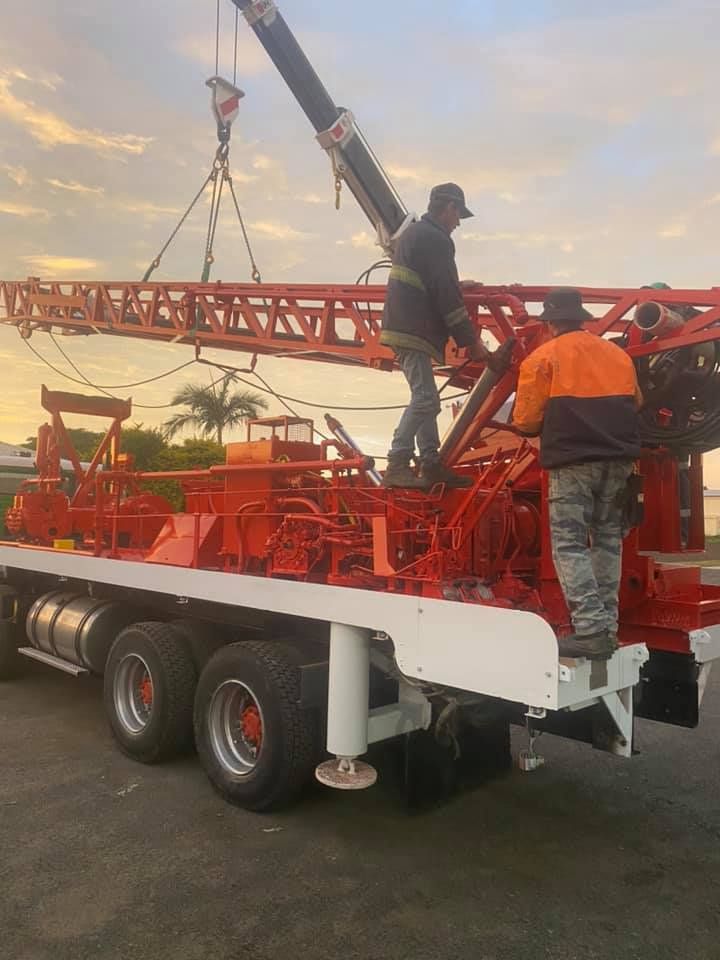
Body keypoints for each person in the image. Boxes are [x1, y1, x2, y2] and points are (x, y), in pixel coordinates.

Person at [512, 288, 642, 660]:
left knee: (569, 544)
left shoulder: (542, 358)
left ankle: (590, 630)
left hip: (572, 465)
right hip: (619, 463)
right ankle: (608, 630)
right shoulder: (618, 356)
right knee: (607, 541)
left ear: (550, 324)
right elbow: (637, 403)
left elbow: (526, 421)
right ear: (582, 319)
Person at [380, 183, 496, 489]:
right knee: (426, 399)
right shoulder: (436, 239)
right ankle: (397, 463)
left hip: (408, 326)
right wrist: (471, 342)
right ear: (450, 208)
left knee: (427, 398)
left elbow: (437, 282)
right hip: (412, 329)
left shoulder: (417, 235)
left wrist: (457, 285)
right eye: (459, 216)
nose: (458, 224)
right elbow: (446, 296)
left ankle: (431, 463)